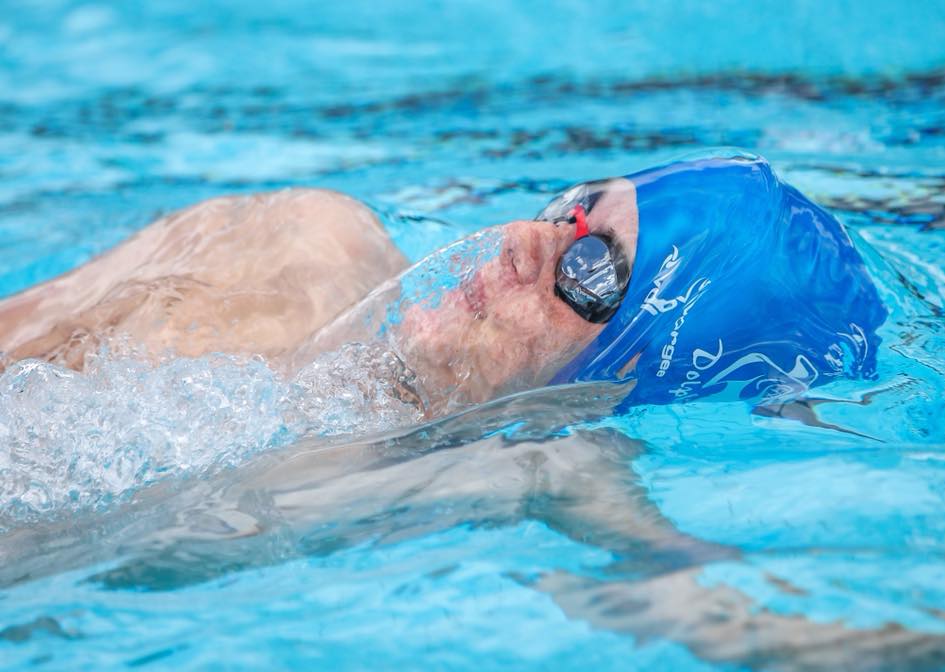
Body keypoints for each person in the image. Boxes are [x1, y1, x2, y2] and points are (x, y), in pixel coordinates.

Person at [0, 151, 886, 417]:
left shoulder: (517, 482)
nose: (514, 242)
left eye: (589, 269)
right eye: (569, 211)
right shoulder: (294, 249)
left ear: (643, 367)